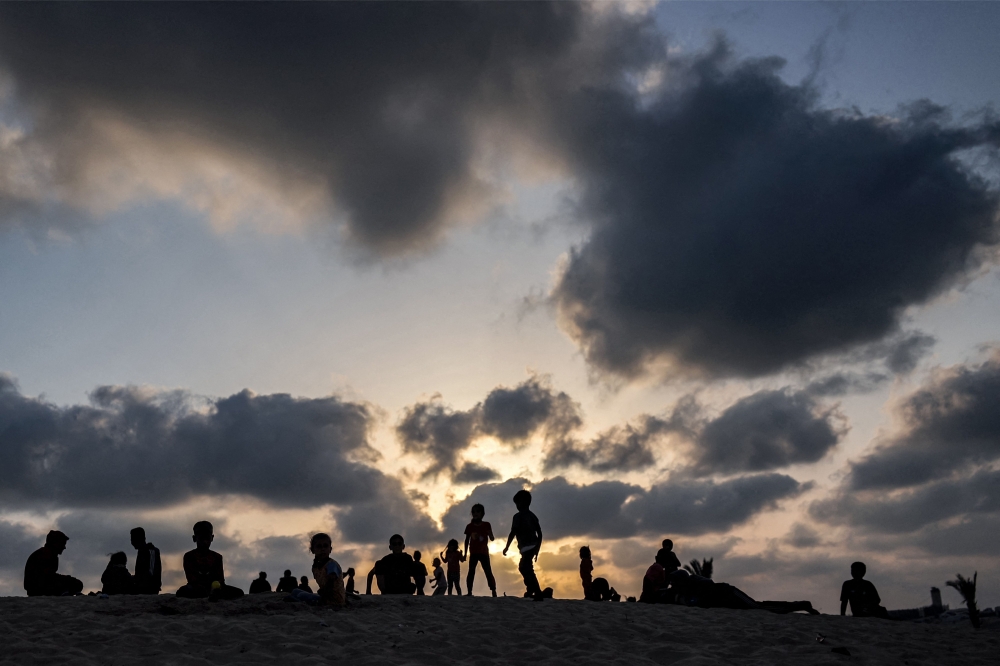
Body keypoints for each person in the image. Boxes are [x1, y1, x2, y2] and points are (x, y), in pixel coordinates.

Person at [175, 521, 244, 600]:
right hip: (197, 589)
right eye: (201, 539)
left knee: (239, 592)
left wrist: (215, 587)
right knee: (182, 592)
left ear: (212, 538)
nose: (205, 542)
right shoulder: (189, 556)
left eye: (207, 538)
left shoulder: (217, 557)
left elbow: (220, 579)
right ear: (194, 538)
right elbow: (192, 579)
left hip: (214, 588)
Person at [502, 489, 549, 599]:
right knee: (525, 567)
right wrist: (537, 548)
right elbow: (540, 533)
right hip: (532, 546)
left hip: (528, 546)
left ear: (522, 502)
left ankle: (537, 592)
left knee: (525, 567)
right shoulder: (533, 516)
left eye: (517, 503)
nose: (517, 506)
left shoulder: (518, 517)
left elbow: (513, 532)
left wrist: (507, 547)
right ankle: (531, 590)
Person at [288, 533, 345, 607]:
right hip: (325, 597)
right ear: (312, 550)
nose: (322, 549)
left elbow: (331, 582)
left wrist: (323, 594)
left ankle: (298, 601)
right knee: (295, 591)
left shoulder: (331, 565)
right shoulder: (316, 567)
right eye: (319, 546)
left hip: (332, 600)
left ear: (330, 549)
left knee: (300, 595)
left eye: (325, 546)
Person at [24, 530, 84, 597]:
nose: (64, 547)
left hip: (37, 588)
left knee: (74, 583)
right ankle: (63, 592)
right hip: (38, 589)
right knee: (76, 583)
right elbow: (46, 578)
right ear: (56, 543)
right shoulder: (46, 554)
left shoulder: (47, 554)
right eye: (63, 544)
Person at [463, 503, 497, 597]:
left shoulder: (486, 525)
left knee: (488, 571)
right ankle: (469, 592)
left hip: (483, 553)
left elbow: (492, 538)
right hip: (473, 552)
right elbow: (466, 541)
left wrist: (490, 534)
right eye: (473, 512)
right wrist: (465, 554)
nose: (475, 513)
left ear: (482, 513)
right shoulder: (469, 526)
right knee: (471, 572)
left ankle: (493, 590)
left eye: (477, 511)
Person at [130, 527, 162, 595]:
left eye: (133, 539)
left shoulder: (151, 551)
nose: (131, 542)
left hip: (149, 587)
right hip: (143, 585)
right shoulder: (141, 551)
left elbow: (151, 573)